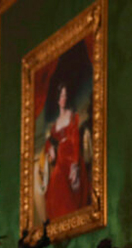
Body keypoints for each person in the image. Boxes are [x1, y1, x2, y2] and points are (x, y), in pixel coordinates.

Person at [40, 82, 90, 219]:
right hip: (61, 160)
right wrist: (50, 148)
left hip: (71, 158)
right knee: (54, 186)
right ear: (57, 99)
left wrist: (75, 166)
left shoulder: (72, 116)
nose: (64, 98)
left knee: (64, 184)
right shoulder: (55, 124)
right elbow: (49, 140)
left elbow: (75, 140)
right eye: (61, 96)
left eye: (65, 95)